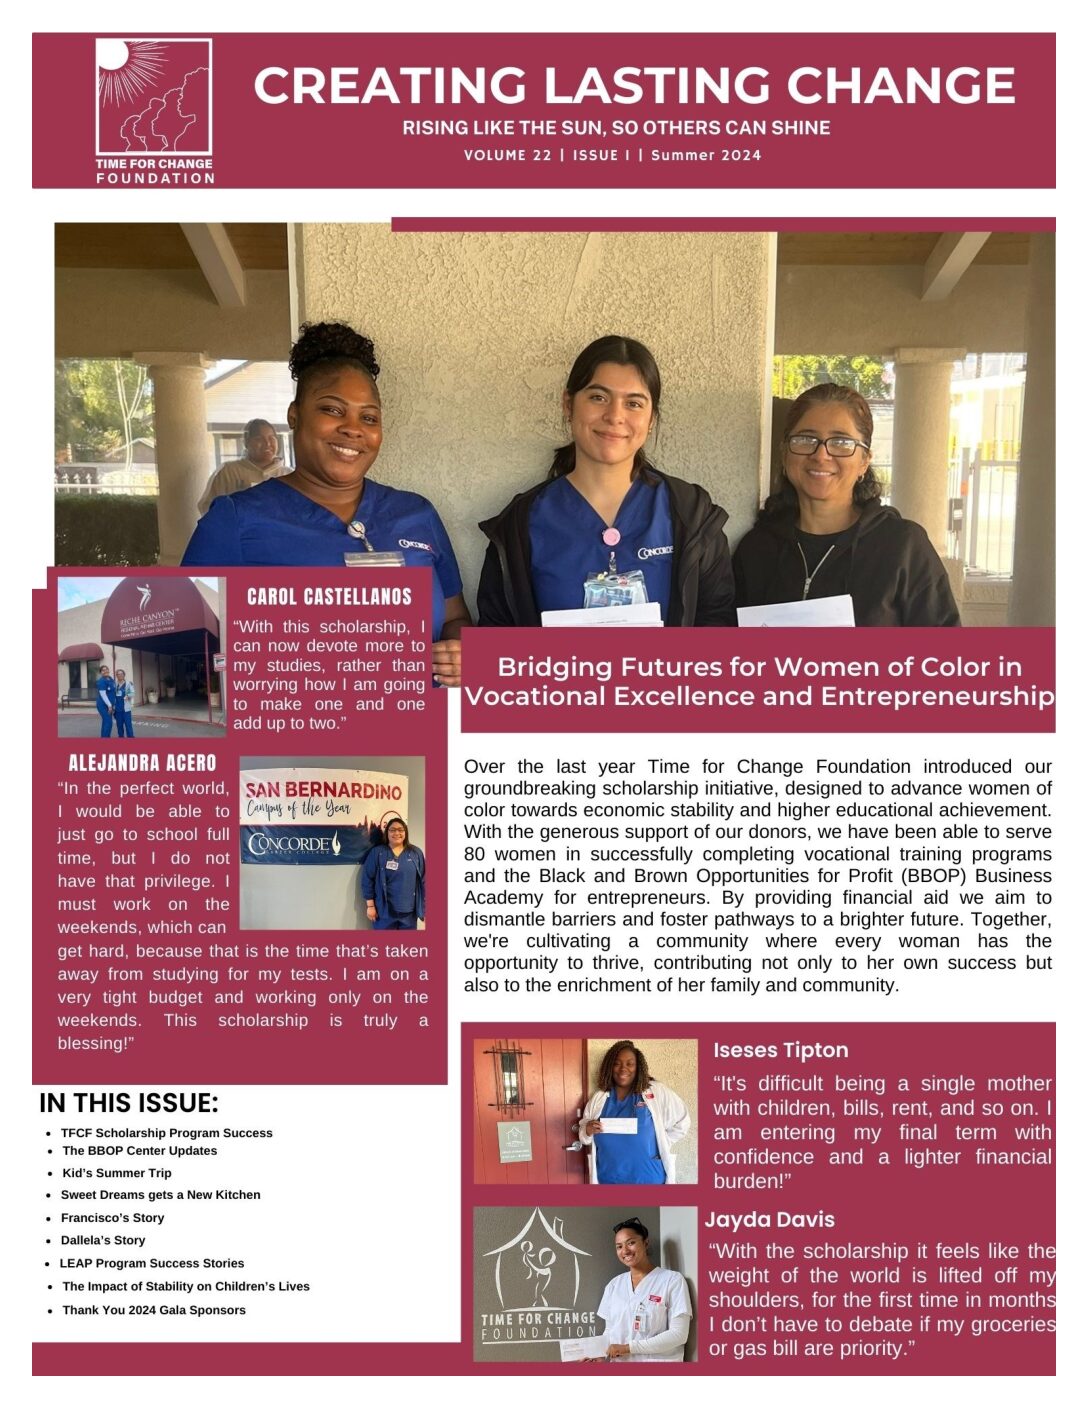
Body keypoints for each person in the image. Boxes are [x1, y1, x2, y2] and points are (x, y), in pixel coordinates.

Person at [182, 322, 470, 686]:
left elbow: (455, 619)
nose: (353, 428)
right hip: (299, 736)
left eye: (369, 417)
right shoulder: (235, 521)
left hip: (416, 733)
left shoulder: (416, 515)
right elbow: (194, 647)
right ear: (294, 416)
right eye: (333, 410)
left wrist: (462, 656)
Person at [477, 335, 734, 626]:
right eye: (598, 397)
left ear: (651, 419)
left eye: (634, 403)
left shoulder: (692, 514)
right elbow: (496, 644)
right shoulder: (519, 524)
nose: (615, 416)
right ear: (568, 404)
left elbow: (718, 631)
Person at [733, 383, 960, 625]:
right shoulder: (756, 549)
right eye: (806, 439)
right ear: (785, 452)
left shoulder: (902, 546)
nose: (821, 455)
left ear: (864, 461)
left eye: (841, 442)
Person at [578, 1041, 691, 1184]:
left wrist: (661, 1142)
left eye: (630, 1064)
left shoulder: (656, 1091)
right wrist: (587, 1130)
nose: (623, 1069)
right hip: (608, 1179)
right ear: (609, 1067)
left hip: (648, 1178)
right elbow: (584, 1134)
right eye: (617, 1063)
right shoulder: (599, 1097)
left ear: (638, 1068)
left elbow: (683, 1121)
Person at [588, 1218, 692, 1363]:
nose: (625, 1251)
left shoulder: (672, 1280)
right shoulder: (614, 1285)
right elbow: (610, 1331)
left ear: (646, 1243)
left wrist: (629, 1348)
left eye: (631, 1243)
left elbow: (679, 1334)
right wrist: (601, 1355)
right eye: (619, 1246)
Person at [196, 418, 287, 516]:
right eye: (259, 439)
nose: (267, 443)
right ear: (246, 443)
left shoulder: (288, 474)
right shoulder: (228, 472)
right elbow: (207, 507)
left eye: (271, 438)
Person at [361, 817, 425, 929]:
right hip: (384, 913)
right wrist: (370, 905)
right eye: (392, 830)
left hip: (409, 913)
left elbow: (424, 881)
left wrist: (425, 908)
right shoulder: (378, 853)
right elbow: (367, 879)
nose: (397, 833)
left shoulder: (416, 853)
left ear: (405, 832)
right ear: (387, 833)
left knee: (407, 946)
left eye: (401, 830)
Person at [113, 668, 135, 737]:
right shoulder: (115, 684)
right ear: (116, 676)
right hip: (117, 710)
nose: (120, 675)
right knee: (119, 726)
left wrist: (128, 696)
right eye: (118, 674)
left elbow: (133, 693)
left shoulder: (128, 684)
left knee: (128, 726)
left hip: (126, 709)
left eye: (121, 674)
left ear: (124, 675)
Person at [94, 664, 115, 738]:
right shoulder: (101, 681)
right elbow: (103, 695)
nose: (105, 671)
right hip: (103, 705)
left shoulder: (110, 679)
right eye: (103, 670)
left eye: (106, 669)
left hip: (109, 704)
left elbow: (113, 691)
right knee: (108, 722)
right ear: (101, 673)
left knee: (106, 722)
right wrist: (109, 706)